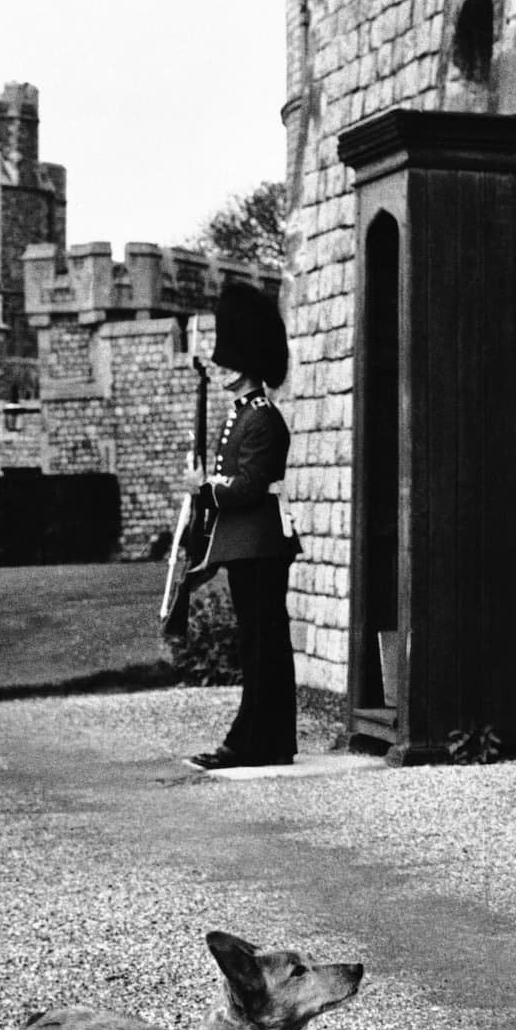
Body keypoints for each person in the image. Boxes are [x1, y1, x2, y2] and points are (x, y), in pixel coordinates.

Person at [186, 282, 300, 771]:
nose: (223, 367)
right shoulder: (241, 416)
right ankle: (264, 738)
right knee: (256, 643)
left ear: (251, 362)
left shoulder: (263, 418)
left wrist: (203, 488)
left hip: (260, 542)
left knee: (263, 644)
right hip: (243, 543)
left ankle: (257, 740)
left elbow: (249, 486)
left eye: (232, 360)